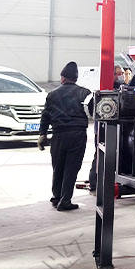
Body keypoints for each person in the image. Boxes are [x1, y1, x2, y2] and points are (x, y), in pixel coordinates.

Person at [38, 62, 92, 211]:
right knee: (71, 168)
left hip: (58, 135)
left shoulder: (52, 94)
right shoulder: (85, 93)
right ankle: (65, 201)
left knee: (58, 167)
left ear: (62, 78)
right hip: (77, 134)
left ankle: (56, 197)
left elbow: (45, 116)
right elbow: (93, 112)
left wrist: (42, 134)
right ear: (76, 78)